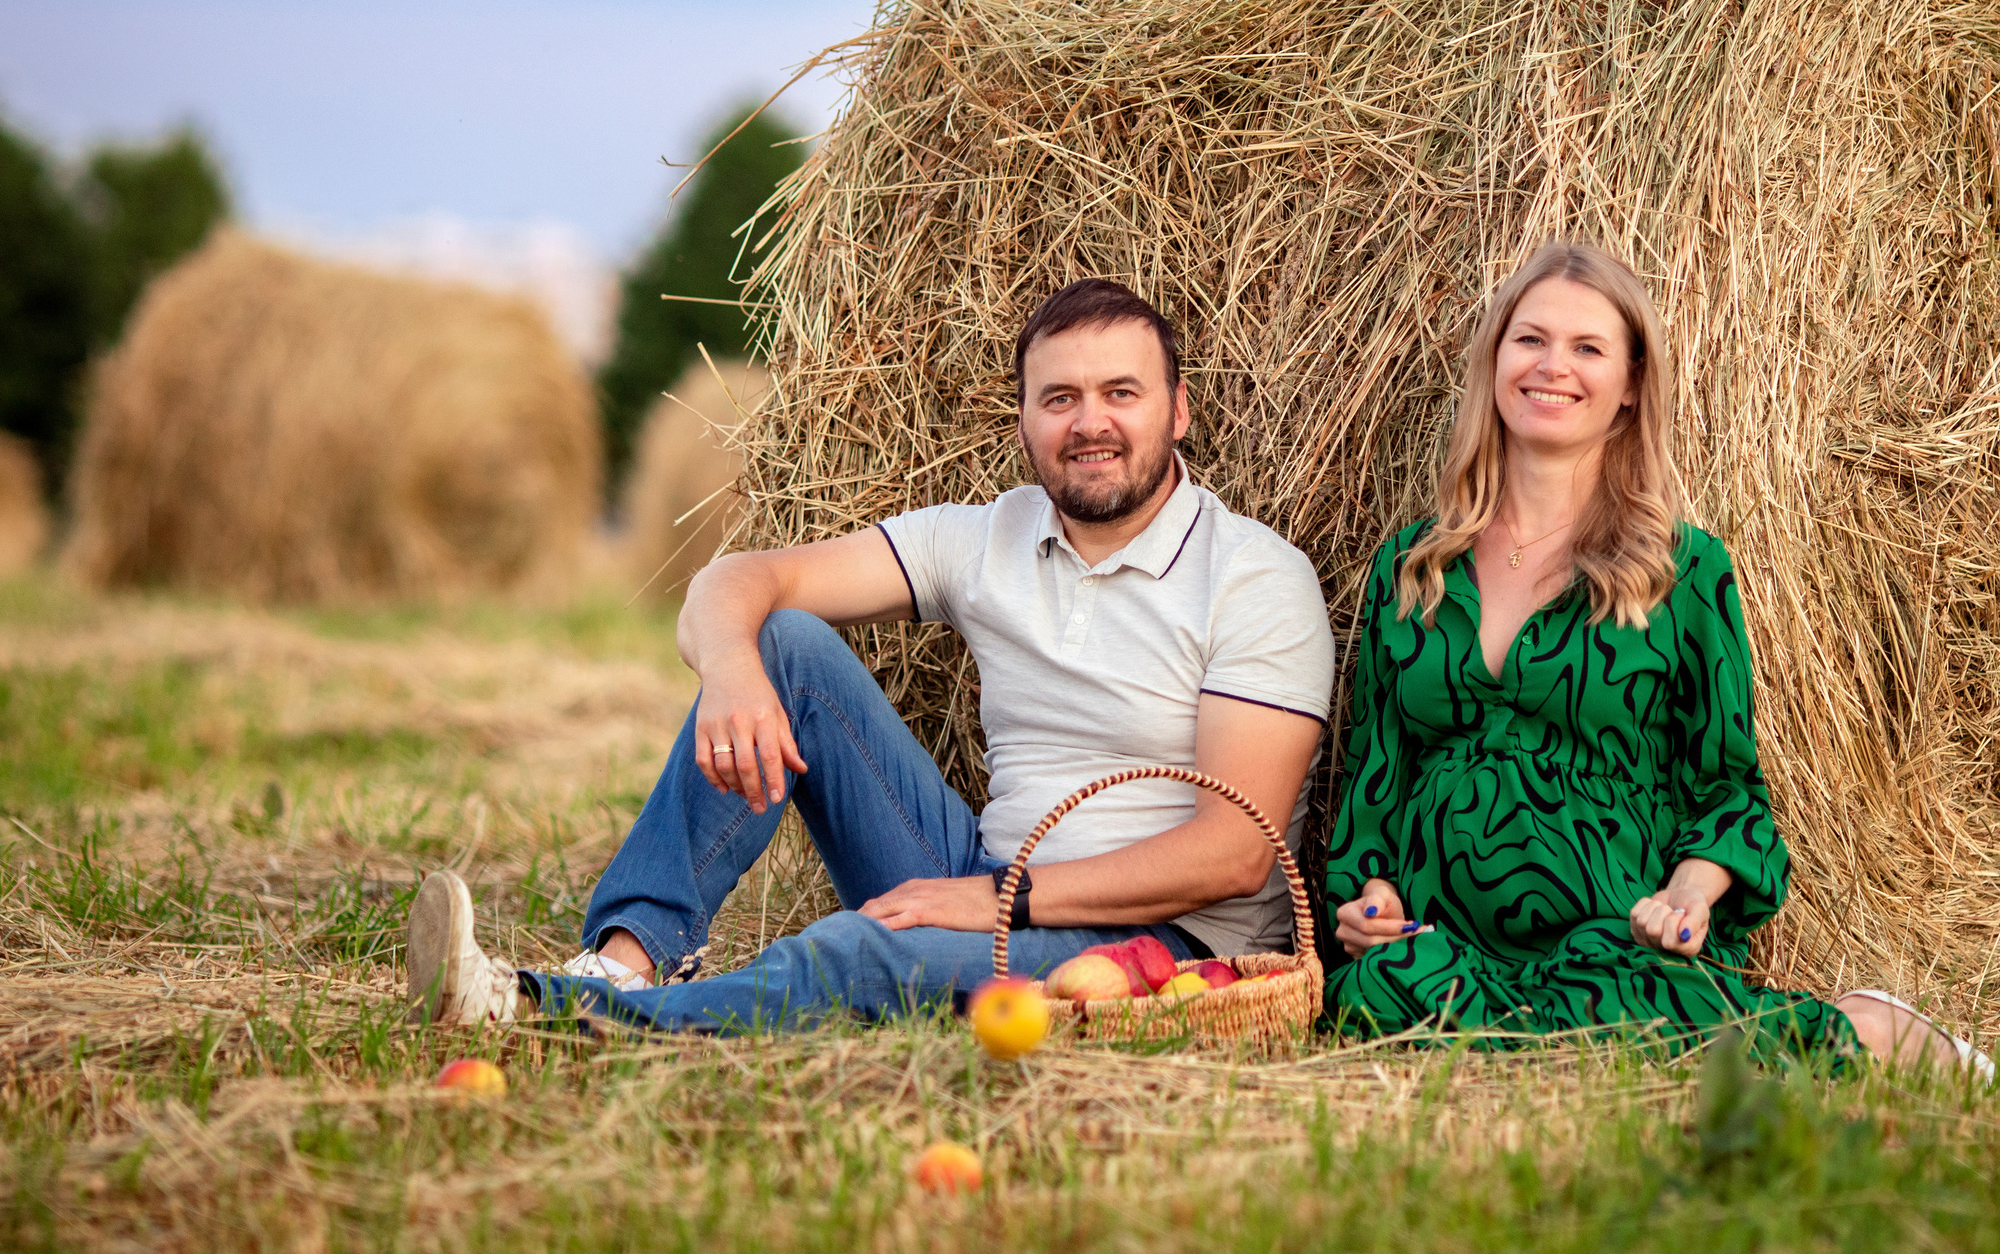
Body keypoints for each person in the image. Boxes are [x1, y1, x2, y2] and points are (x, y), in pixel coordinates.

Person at [407, 279, 1334, 1032]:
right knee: (784, 644)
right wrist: (733, 673)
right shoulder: (988, 538)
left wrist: (999, 902)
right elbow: (736, 580)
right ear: (1023, 422)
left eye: (1121, 393)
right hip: (982, 879)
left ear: (1178, 411)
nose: (1090, 423)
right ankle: (623, 963)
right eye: (1060, 398)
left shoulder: (1253, 578)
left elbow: (1232, 855)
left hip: (1162, 947)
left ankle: (544, 1013)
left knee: (854, 953)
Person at [1322, 241, 1991, 1074]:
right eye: (1529, 339)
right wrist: (1371, 899)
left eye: (1588, 348)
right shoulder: (1413, 565)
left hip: (1607, 928)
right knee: (1372, 994)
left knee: (1611, 1000)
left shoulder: (1683, 570)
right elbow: (1377, 779)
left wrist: (1686, 895)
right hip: (1440, 935)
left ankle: (1871, 1030)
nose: (1552, 367)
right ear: (1494, 360)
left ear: (1632, 384)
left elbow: (1728, 791)